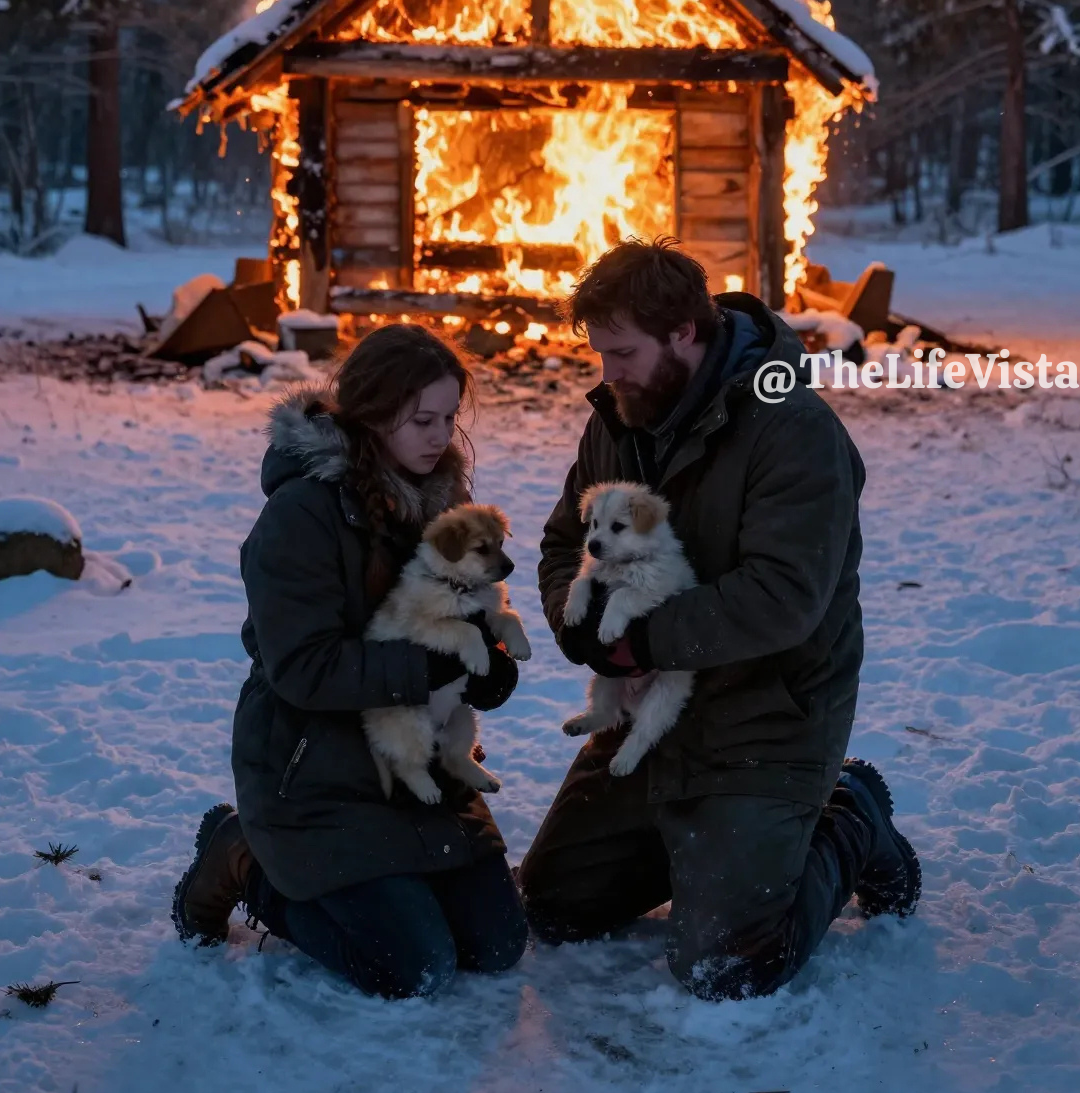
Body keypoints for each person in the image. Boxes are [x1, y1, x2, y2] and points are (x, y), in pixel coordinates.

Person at [518, 238, 920, 1000]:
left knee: (728, 968)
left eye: (623, 352)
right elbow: (565, 541)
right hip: (654, 712)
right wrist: (576, 627)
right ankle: (705, 850)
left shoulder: (793, 429)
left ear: (684, 333)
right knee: (555, 905)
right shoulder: (620, 416)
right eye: (600, 353)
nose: (608, 373)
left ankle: (851, 818)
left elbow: (783, 596)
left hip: (767, 716)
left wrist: (638, 640)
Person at [172, 325, 528, 999]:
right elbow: (302, 668)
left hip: (416, 763)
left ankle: (396, 883)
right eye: (422, 418)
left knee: (497, 947)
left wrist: (492, 662)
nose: (440, 435)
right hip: (316, 773)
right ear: (370, 411)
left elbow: (469, 611)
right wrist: (430, 665)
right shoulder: (300, 517)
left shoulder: (442, 503)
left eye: (449, 417)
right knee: (410, 968)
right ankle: (244, 856)